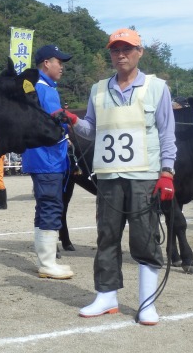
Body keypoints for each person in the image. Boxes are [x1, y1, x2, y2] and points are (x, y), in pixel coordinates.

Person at [58, 28, 176, 325]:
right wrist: (73, 120)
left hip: (145, 175)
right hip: (109, 176)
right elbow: (92, 131)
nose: (121, 54)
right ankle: (106, 296)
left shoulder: (157, 87)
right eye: (115, 50)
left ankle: (146, 302)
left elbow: (167, 134)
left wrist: (167, 172)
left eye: (127, 49)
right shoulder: (98, 89)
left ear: (139, 52)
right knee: (106, 235)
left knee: (144, 238)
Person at [21, 44, 74, 279]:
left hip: (42, 156)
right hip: (48, 158)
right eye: (59, 62)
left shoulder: (39, 87)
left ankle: (46, 259)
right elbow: (53, 124)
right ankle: (47, 262)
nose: (61, 67)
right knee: (51, 205)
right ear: (46, 63)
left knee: (44, 205)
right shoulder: (45, 89)